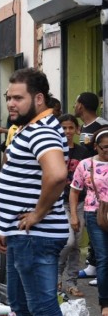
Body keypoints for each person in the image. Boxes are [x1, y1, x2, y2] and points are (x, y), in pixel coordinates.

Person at [0, 68, 69, 316]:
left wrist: (37, 214)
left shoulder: (42, 131)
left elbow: (58, 174)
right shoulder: (30, 127)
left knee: (42, 307)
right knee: (21, 304)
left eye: (18, 98)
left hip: (36, 237)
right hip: (21, 236)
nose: (11, 104)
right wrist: (5, 227)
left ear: (38, 99)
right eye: (9, 97)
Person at [69, 126, 108, 316]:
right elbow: (74, 191)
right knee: (103, 258)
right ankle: (105, 302)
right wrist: (75, 217)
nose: (107, 150)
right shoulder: (85, 165)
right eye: (104, 147)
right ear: (96, 147)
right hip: (95, 214)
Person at [73, 92, 108, 281]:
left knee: (101, 225)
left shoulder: (101, 125)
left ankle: (99, 267)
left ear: (83, 105)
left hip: (102, 184)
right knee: (94, 228)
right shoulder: (84, 128)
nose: (74, 106)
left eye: (76, 103)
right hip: (89, 180)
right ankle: (93, 265)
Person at [57, 114, 89, 297]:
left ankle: (71, 282)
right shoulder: (56, 151)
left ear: (77, 130)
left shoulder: (82, 152)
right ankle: (55, 275)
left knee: (76, 244)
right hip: (61, 202)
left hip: (80, 202)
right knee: (67, 242)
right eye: (64, 128)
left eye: (71, 128)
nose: (67, 132)